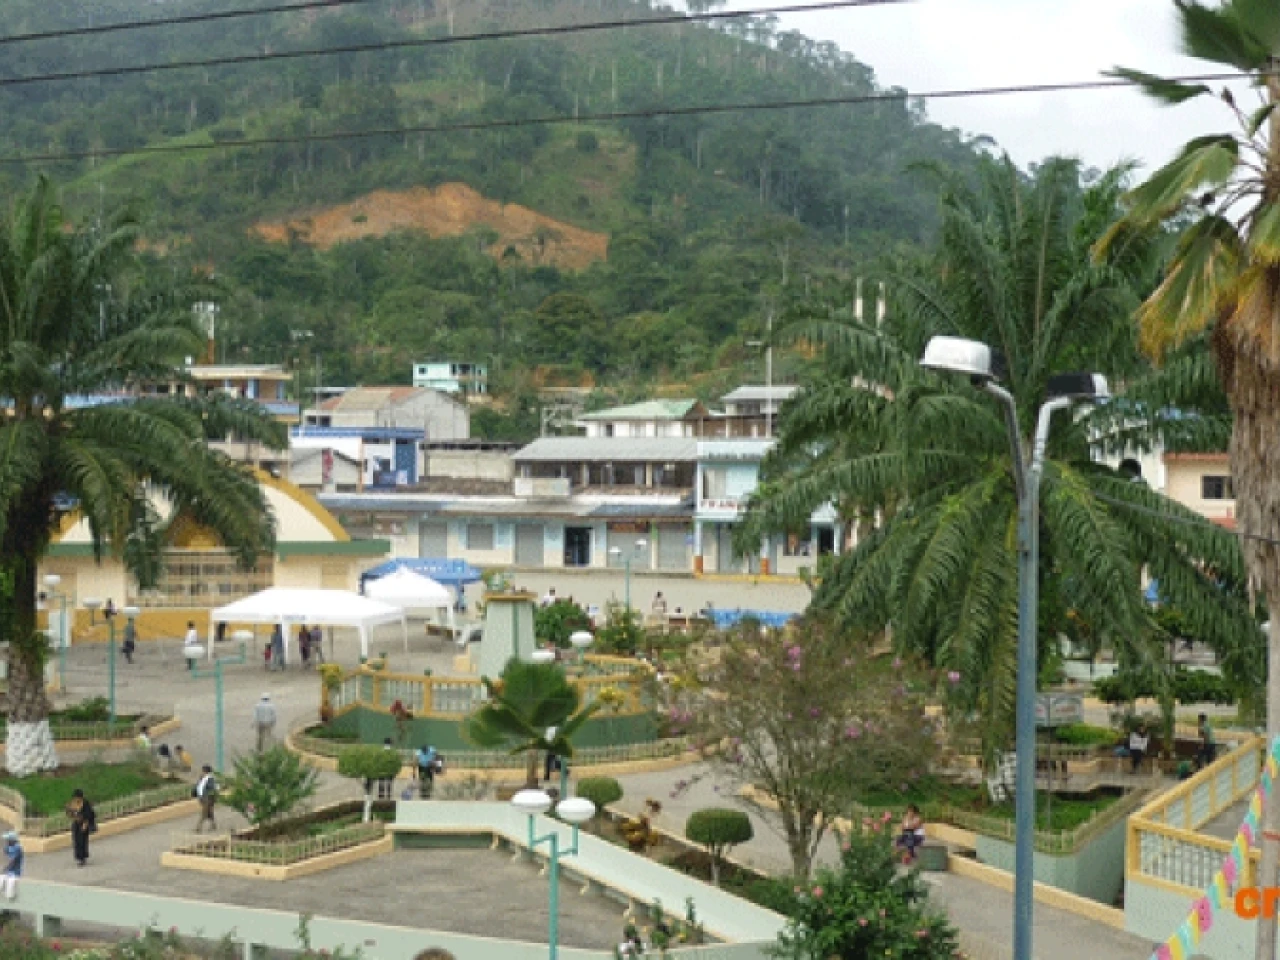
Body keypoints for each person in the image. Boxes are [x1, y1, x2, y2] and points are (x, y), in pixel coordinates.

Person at [67, 789, 95, 867]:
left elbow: (89, 815)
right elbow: (69, 812)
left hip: (84, 824)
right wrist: (71, 813)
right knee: (76, 841)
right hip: (76, 823)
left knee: (82, 841)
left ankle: (83, 858)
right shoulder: (73, 803)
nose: (76, 799)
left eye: (77, 797)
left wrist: (85, 824)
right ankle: (79, 857)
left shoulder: (86, 803)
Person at [194, 765, 219, 833]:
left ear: (205, 771)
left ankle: (198, 827)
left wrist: (213, 797)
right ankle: (213, 825)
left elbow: (213, 788)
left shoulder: (210, 779)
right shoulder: (203, 778)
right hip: (203, 798)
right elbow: (199, 787)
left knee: (204, 813)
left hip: (208, 799)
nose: (201, 772)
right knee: (209, 812)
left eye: (202, 771)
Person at [1, 831, 22, 900]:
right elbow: (4, 855)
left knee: (9, 895)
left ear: (12, 840)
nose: (6, 841)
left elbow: (12, 861)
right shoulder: (8, 847)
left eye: (8, 840)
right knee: (1, 880)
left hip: (15, 872)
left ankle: (12, 895)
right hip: (7, 871)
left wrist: (4, 868)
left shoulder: (17, 848)